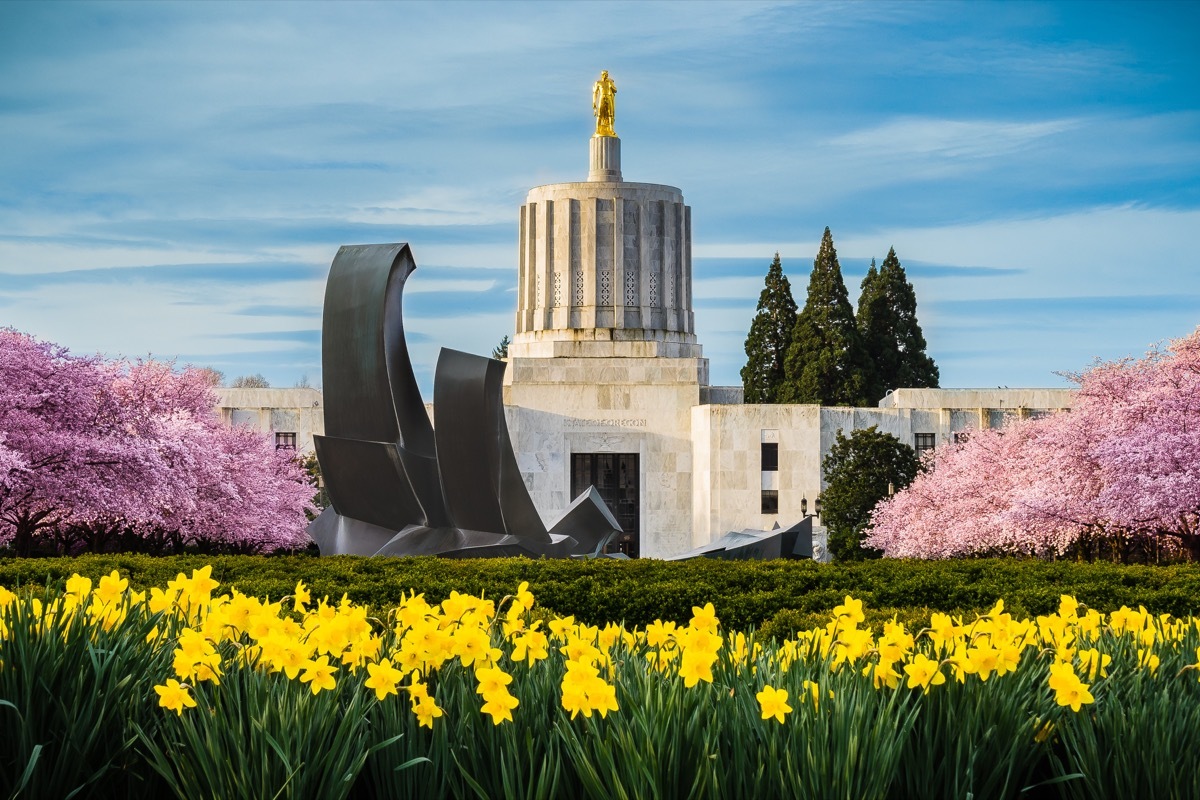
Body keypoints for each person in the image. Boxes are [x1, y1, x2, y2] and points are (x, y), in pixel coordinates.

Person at [592, 70, 617, 137]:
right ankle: (597, 130)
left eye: (607, 74)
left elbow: (615, 90)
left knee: (610, 114)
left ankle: (611, 129)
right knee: (599, 114)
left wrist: (611, 83)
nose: (606, 76)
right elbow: (595, 93)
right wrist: (594, 102)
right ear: (602, 75)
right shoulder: (598, 83)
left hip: (608, 98)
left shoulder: (609, 82)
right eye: (605, 74)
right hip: (602, 98)